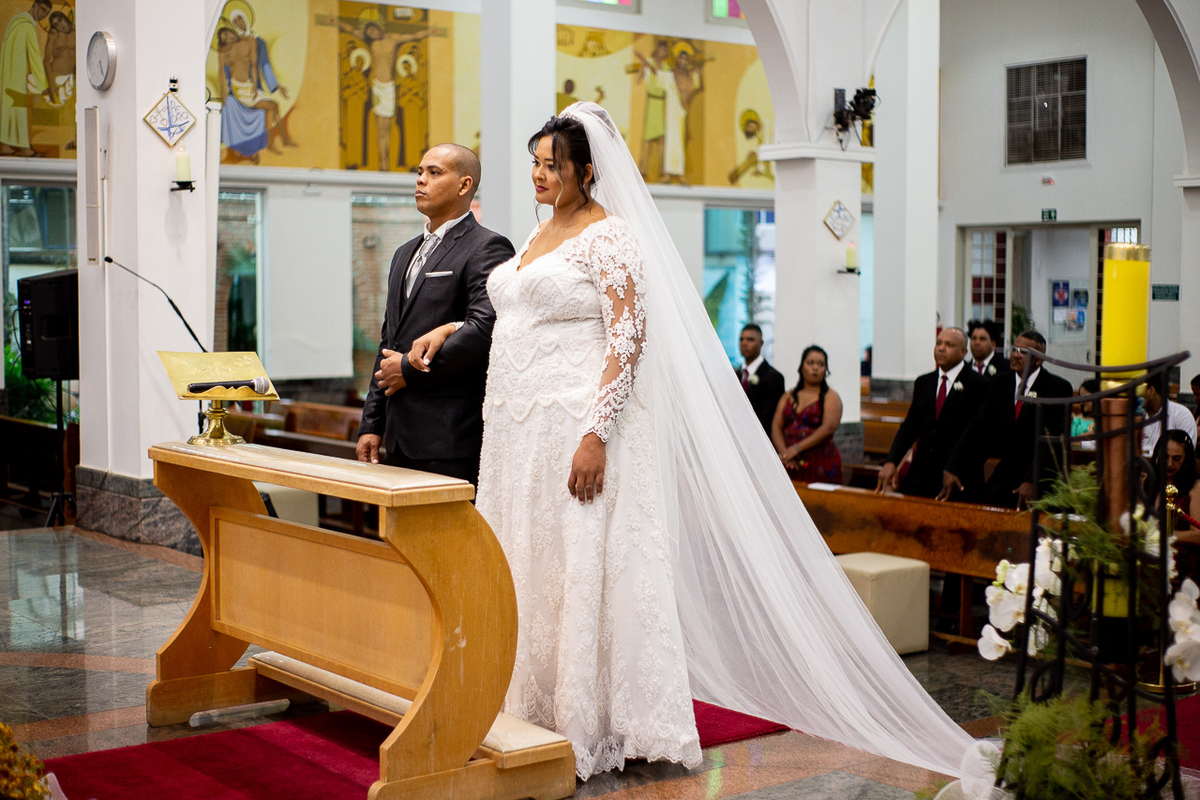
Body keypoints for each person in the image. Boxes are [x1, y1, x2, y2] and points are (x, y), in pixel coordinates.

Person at [406, 103, 975, 781]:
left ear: (586, 171)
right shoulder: (534, 237)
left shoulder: (609, 237)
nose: (537, 173)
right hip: (514, 429)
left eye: (550, 164)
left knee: (576, 564)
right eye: (534, 162)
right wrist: (447, 333)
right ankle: (523, 701)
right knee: (525, 560)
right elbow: (512, 311)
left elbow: (628, 337)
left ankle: (585, 718)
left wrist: (595, 432)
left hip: (572, 427)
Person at [356, 144, 515, 486]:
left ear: (464, 185)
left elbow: (485, 329)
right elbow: (389, 342)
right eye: (419, 172)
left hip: (450, 437)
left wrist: (409, 372)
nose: (421, 180)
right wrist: (372, 424)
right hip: (399, 434)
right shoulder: (403, 254)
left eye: (434, 172)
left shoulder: (487, 246)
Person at [950, 330, 1074, 509]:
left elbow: (1052, 441)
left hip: (1040, 476)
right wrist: (954, 466)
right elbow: (978, 426)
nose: (1015, 355)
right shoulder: (1001, 383)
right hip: (1006, 473)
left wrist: (1032, 481)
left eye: (1023, 352)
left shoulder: (1057, 388)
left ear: (1038, 360)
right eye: (1014, 349)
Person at [875, 328, 988, 500]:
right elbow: (910, 427)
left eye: (949, 345)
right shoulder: (924, 382)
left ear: (964, 352)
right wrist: (891, 461)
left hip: (957, 476)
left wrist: (954, 468)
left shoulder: (979, 385)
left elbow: (977, 436)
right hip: (922, 474)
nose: (941, 348)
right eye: (938, 343)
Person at [771, 345, 843, 483]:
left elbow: (829, 428)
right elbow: (776, 425)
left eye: (820, 364)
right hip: (789, 460)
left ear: (825, 369)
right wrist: (785, 453)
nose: (815, 368)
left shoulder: (831, 397)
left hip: (819, 461)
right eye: (810, 363)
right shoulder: (788, 395)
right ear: (802, 367)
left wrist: (797, 449)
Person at [0, 0, 49, 157]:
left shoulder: (15, 22)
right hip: (17, 74)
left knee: (8, 109)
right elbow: (34, 56)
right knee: (19, 109)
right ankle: (25, 148)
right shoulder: (26, 26)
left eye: (45, 13)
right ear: (34, 6)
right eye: (42, 10)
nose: (42, 15)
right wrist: (43, 84)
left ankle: (6, 145)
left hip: (7, 72)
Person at [737, 323, 785, 434]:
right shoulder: (735, 375)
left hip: (759, 437)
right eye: (741, 339)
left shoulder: (773, 377)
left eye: (750, 340)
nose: (744, 343)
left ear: (761, 343)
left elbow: (769, 417)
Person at [1152, 430, 1200, 533]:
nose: (1169, 464)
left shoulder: (1195, 488)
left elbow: (1197, 534)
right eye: (1165, 457)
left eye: (1177, 458)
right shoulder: (1147, 483)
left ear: (1186, 459)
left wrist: (1162, 536)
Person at [1142, 380, 1197, 457]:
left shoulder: (1181, 415)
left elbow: (1187, 454)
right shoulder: (1136, 418)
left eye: (1139, 390)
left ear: (1151, 390)